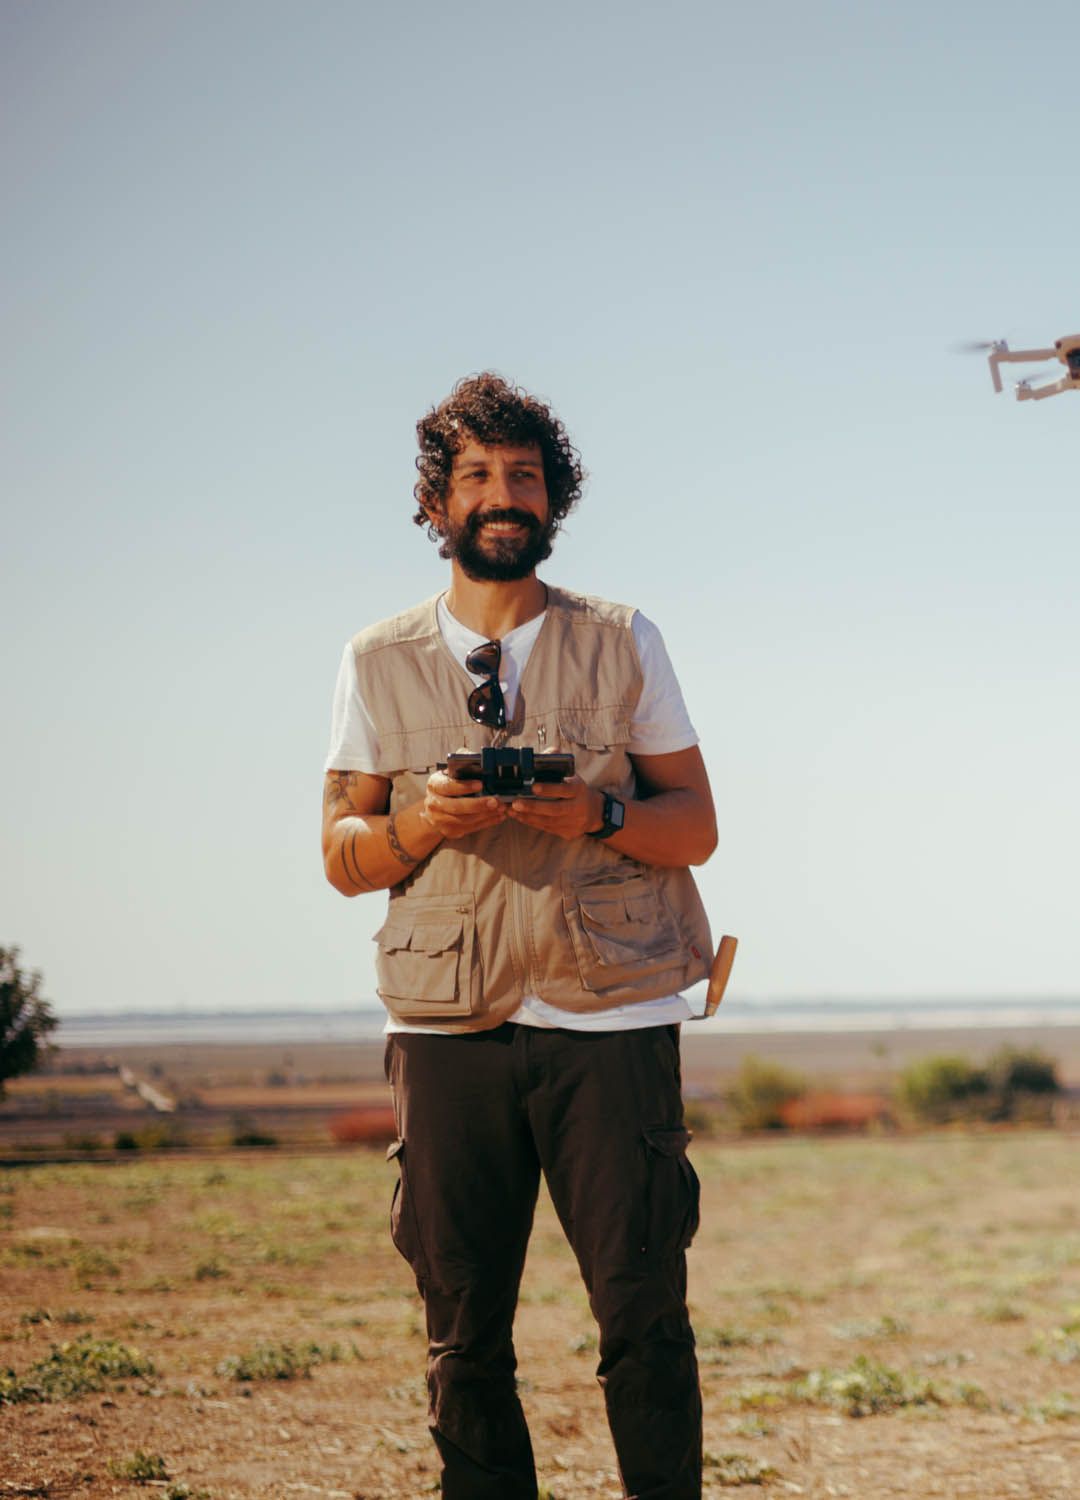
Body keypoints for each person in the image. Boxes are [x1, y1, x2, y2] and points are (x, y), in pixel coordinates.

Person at [320, 371, 718, 1499]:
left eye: (526, 477)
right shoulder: (374, 660)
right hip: (449, 1031)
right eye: (480, 477)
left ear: (555, 500)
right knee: (462, 1335)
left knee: (646, 1321)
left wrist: (600, 812)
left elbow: (696, 827)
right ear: (437, 504)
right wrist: (419, 820)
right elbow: (341, 855)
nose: (506, 496)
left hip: (613, 1016)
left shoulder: (624, 639)